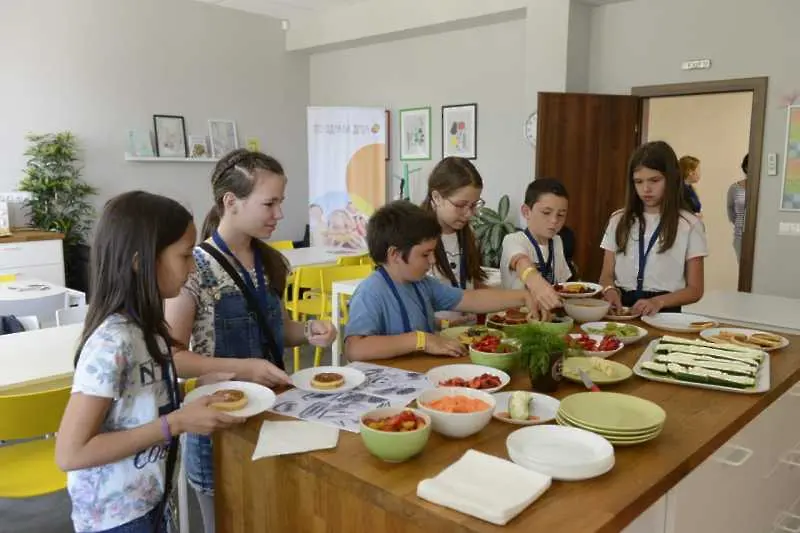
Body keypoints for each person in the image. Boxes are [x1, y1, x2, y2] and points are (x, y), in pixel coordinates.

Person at [165, 149, 337, 533]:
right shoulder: (194, 268)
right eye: (269, 203)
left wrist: (309, 331)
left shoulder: (271, 262)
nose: (279, 214)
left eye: (281, 202)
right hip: (220, 429)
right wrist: (244, 369)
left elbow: (276, 330)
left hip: (275, 415)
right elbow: (173, 358)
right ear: (231, 202)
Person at [56, 191, 244, 533]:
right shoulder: (114, 340)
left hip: (150, 500)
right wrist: (175, 423)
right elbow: (71, 452)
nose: (192, 268)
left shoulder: (149, 329)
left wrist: (194, 394)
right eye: (185, 256)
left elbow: (138, 401)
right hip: (116, 518)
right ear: (141, 262)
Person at [344, 201, 539, 362]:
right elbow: (355, 348)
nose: (433, 261)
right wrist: (422, 340)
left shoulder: (421, 283)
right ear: (394, 254)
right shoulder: (371, 292)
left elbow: (471, 299)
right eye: (425, 254)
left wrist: (523, 296)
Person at [599, 141, 708, 316]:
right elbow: (606, 275)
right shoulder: (618, 219)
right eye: (638, 182)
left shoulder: (689, 224)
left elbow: (695, 289)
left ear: (671, 178)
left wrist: (658, 301)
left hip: (665, 312)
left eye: (654, 180)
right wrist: (609, 289)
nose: (646, 189)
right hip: (622, 311)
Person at [421, 157, 487, 327]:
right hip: (432, 338)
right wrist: (445, 324)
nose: (468, 214)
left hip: (466, 336)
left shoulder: (468, 235)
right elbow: (410, 304)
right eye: (460, 205)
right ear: (436, 197)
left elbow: (475, 284)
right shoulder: (417, 238)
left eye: (474, 205)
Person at [499, 178, 568, 310]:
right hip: (518, 318)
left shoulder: (557, 242)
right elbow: (520, 262)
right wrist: (535, 281)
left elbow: (562, 285)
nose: (554, 220)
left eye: (561, 215)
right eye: (546, 213)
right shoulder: (513, 240)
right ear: (526, 212)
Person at [727, 154, 748, 262]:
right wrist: (739, 222)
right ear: (746, 167)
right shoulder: (734, 188)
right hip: (740, 236)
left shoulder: (764, 186)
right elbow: (730, 209)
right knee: (744, 270)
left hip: (759, 236)